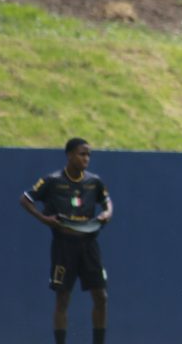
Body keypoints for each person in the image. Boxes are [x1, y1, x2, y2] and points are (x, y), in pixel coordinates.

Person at [19, 138, 113, 344]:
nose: (86, 158)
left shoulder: (93, 181)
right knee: (62, 299)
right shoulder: (52, 181)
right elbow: (25, 199)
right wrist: (44, 219)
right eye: (82, 154)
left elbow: (107, 202)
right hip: (64, 245)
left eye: (89, 154)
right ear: (69, 155)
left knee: (101, 296)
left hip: (89, 244)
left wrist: (107, 213)